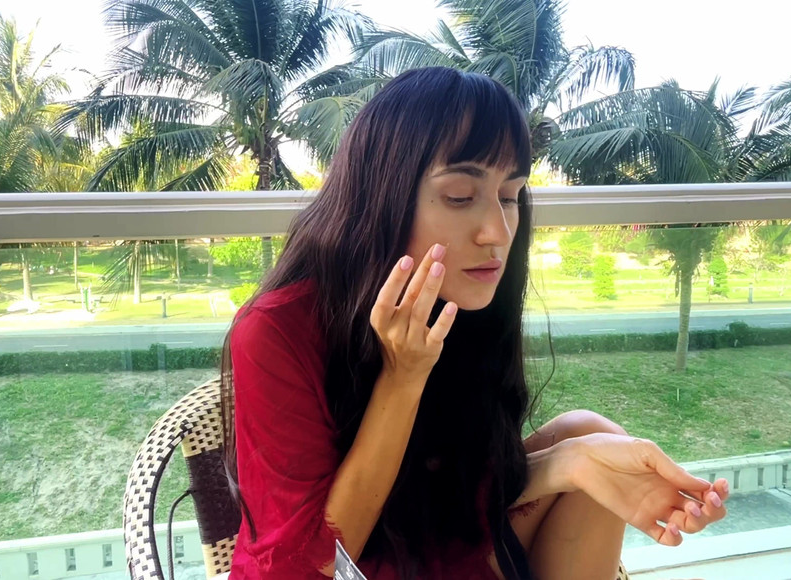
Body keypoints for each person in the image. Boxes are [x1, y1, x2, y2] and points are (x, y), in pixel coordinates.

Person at [221, 66, 729, 580]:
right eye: (461, 197)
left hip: (424, 537)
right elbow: (317, 562)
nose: (498, 232)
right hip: (334, 567)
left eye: (510, 196)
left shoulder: (462, 303)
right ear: (380, 195)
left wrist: (568, 463)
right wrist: (402, 377)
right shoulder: (276, 330)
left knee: (590, 437)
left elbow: (452, 488)